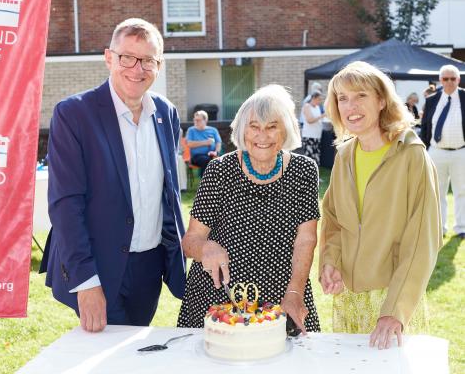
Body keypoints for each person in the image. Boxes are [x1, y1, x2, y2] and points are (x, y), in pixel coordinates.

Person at [39, 18, 186, 332]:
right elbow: (66, 204)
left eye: (148, 60)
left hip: (150, 264)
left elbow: (167, 194)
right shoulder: (74, 114)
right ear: (109, 58)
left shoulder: (166, 113)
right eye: (127, 58)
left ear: (159, 64)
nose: (137, 69)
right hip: (99, 265)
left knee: (135, 350)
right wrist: (86, 281)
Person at [177, 84, 321, 334]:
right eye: (254, 126)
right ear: (243, 131)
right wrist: (206, 248)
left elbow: (306, 238)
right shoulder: (220, 171)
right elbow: (191, 241)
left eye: (271, 126)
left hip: (284, 296)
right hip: (219, 299)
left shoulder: (303, 171)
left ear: (285, 129)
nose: (262, 135)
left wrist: (295, 291)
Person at [319, 61, 442, 349]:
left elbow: (421, 241)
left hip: (393, 301)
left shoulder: (412, 155)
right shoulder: (344, 156)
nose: (351, 106)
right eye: (343, 98)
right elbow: (335, 222)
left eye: (361, 95)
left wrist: (394, 310)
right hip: (350, 299)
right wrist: (331, 263)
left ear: (382, 100)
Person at [420, 64, 465, 239]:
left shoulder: (464, 97)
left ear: (458, 79)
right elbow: (425, 127)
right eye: (445, 79)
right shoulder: (431, 100)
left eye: (453, 78)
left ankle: (461, 228)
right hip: (436, 152)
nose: (449, 82)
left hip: (460, 152)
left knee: (462, 191)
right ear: (440, 80)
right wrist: (425, 149)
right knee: (437, 192)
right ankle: (440, 228)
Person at [186, 110, 222, 176]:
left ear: (205, 120)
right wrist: (205, 142)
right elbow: (189, 144)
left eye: (198, 120)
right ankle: (205, 183)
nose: (196, 122)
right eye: (195, 120)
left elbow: (218, 143)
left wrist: (216, 152)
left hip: (212, 155)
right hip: (196, 157)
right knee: (207, 161)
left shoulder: (213, 130)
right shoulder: (191, 130)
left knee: (221, 161)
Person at [301, 90, 326, 166]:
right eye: (319, 99)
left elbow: (317, 120)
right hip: (309, 137)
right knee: (308, 160)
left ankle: (315, 177)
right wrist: (322, 116)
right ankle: (306, 177)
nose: (320, 101)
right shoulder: (307, 106)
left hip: (317, 136)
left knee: (316, 160)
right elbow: (310, 120)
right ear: (314, 98)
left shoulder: (318, 107)